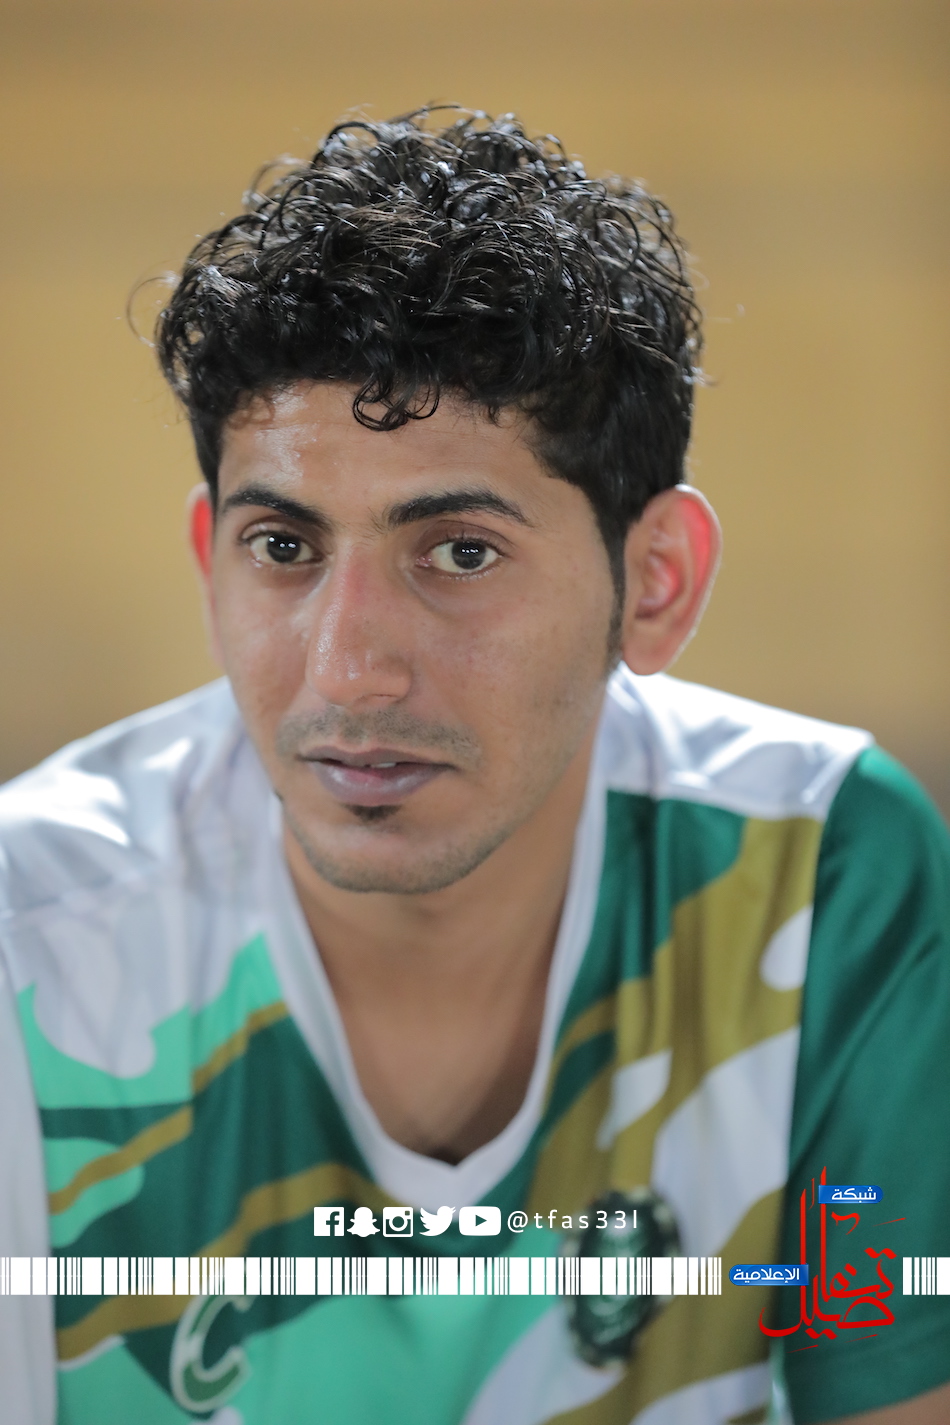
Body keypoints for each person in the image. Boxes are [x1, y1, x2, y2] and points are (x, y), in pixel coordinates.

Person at [0, 107, 948, 1425]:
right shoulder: (28, 940)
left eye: (458, 551)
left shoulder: (821, 871)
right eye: (285, 547)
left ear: (654, 584)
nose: (349, 671)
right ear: (211, 559)